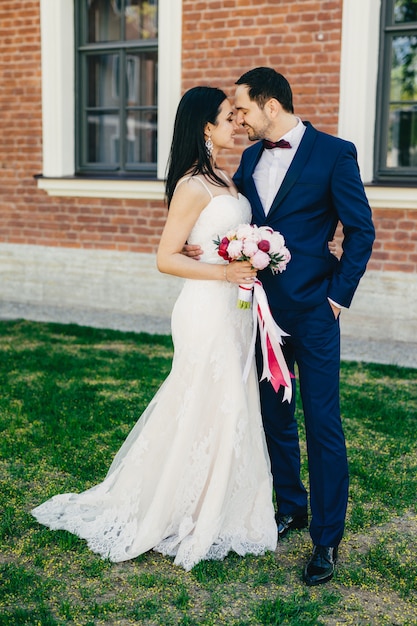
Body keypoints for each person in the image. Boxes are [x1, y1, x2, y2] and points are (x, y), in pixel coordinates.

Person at [31, 86, 278, 572]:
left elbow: (208, 241)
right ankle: (175, 504)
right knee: (204, 399)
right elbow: (165, 258)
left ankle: (217, 499)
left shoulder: (226, 179)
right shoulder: (192, 185)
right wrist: (225, 271)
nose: (237, 125)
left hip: (236, 307)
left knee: (229, 400)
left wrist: (247, 256)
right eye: (229, 118)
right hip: (207, 306)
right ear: (207, 127)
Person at [232, 67, 376, 586]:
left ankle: (327, 538)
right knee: (275, 415)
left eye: (243, 108)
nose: (239, 118)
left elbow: (361, 231)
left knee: (322, 423)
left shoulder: (335, 153)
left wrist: (338, 296)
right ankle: (291, 506)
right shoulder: (248, 160)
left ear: (271, 105)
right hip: (264, 315)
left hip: (316, 312)